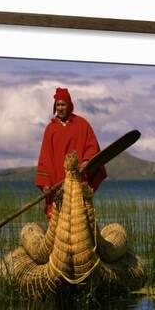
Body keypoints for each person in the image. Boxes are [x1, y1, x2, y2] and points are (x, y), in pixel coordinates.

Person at [35, 87, 107, 218]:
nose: (60, 108)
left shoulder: (82, 124)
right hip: (57, 185)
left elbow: (92, 146)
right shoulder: (50, 129)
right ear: (54, 107)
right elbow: (45, 157)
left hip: (77, 183)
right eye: (58, 105)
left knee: (80, 223)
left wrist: (86, 161)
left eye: (63, 104)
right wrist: (45, 184)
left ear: (69, 106)